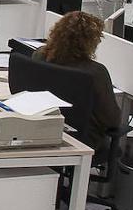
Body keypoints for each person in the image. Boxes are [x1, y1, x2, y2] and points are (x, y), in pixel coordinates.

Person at [33, 11, 121, 145]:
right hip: (81, 139)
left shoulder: (39, 56)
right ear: (91, 42)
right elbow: (111, 120)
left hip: (42, 127)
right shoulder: (95, 72)